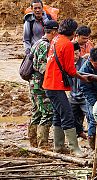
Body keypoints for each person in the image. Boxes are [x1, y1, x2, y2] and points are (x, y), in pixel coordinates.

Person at [42, 18, 89, 158]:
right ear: (74, 32)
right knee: (68, 114)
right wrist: (82, 77)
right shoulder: (67, 44)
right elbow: (70, 70)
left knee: (58, 113)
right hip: (56, 84)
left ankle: (59, 146)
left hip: (49, 82)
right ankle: (74, 148)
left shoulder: (55, 39)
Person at [28, 20, 58, 149]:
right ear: (53, 31)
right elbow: (41, 66)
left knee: (37, 112)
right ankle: (43, 144)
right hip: (40, 83)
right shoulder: (45, 45)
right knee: (47, 112)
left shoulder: (37, 42)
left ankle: (33, 143)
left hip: (34, 82)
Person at [68, 42, 88, 140]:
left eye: (76, 54)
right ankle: (79, 132)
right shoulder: (67, 63)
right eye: (72, 54)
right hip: (72, 96)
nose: (75, 56)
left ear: (80, 52)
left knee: (90, 115)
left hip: (84, 96)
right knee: (73, 117)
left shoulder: (85, 63)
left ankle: (93, 135)